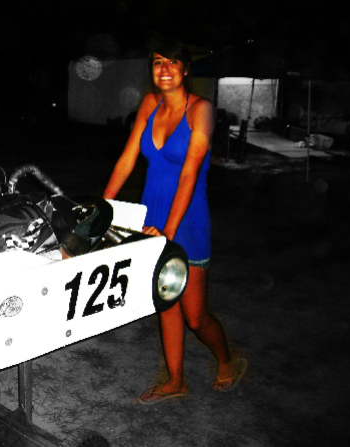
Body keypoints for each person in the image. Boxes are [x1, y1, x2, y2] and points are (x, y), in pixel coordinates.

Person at [103, 39, 247, 405]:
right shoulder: (149, 105)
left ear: (185, 69)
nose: (164, 69)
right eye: (157, 62)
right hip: (152, 215)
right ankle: (175, 380)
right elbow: (127, 158)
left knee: (195, 316)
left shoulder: (201, 110)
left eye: (172, 62)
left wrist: (168, 232)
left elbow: (189, 173)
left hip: (188, 220)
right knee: (165, 300)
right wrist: (101, 207)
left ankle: (227, 359)